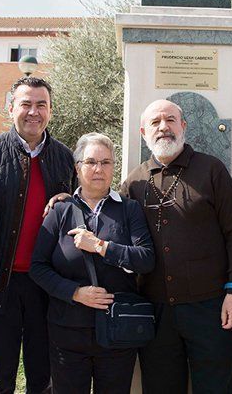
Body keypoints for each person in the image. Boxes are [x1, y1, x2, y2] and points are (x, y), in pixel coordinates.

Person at [121, 99, 232, 394]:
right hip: (155, 312)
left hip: (211, 308)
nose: (163, 127)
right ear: (143, 132)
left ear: (184, 127)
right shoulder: (134, 183)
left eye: (170, 120)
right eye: (155, 122)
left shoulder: (211, 170)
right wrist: (66, 199)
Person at [0, 76, 76, 394]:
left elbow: (79, 216)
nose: (34, 112)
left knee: (43, 379)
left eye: (41, 105)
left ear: (50, 111)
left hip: (46, 286)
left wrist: (67, 202)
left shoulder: (65, 158)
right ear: (10, 108)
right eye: (26, 104)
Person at [30, 132, 155, 394]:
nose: (99, 169)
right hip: (67, 330)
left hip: (118, 331)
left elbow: (145, 259)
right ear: (78, 168)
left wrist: (101, 246)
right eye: (91, 162)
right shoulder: (59, 211)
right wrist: (75, 293)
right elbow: (38, 266)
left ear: (113, 167)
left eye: (106, 162)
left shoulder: (129, 210)